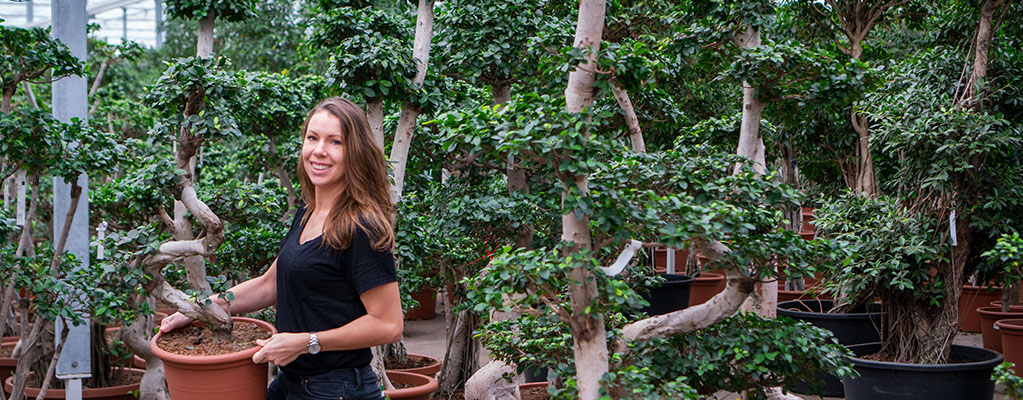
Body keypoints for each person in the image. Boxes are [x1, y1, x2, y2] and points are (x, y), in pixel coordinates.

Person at [160, 97, 403, 400]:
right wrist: (204, 308)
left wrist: (307, 342)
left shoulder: (362, 227)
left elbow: (388, 324)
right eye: (312, 138)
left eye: (335, 142)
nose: (319, 151)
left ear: (355, 152)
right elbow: (268, 284)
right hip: (292, 382)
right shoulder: (308, 212)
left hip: (336, 388)